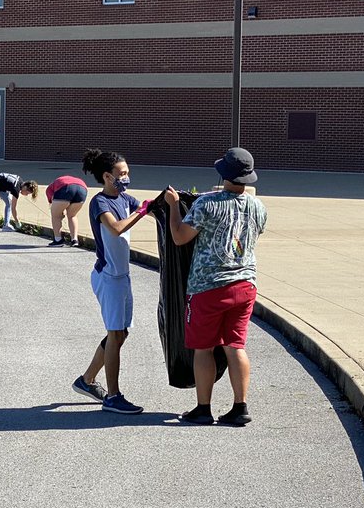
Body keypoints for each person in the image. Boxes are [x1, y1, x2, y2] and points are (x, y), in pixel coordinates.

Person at [164, 147, 267, 425]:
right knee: (235, 345)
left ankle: (203, 407)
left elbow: (179, 237)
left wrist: (174, 206)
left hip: (208, 286)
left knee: (204, 348)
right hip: (245, 284)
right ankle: (240, 406)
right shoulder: (259, 207)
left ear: (223, 174)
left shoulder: (206, 205)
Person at [72, 148, 154, 415]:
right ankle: (113, 397)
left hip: (122, 276)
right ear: (107, 176)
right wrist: (141, 212)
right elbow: (116, 228)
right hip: (108, 277)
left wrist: (168, 204)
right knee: (115, 333)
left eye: (128, 172)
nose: (126, 177)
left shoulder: (124, 197)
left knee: (120, 333)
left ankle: (86, 381)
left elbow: (147, 208)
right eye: (122, 174)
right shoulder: (101, 203)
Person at [44, 174, 89, 246]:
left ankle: (58, 240)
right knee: (72, 216)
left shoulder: (49, 189)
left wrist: (60, 213)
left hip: (66, 187)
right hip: (82, 188)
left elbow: (54, 202)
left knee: (56, 216)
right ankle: (74, 240)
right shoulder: (60, 181)